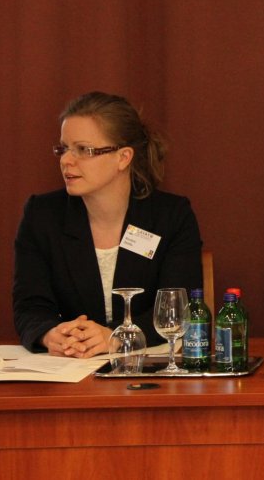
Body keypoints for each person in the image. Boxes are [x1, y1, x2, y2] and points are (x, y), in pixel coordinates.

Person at [13, 92, 203, 356]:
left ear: (123, 157)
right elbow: (30, 307)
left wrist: (117, 337)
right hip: (70, 366)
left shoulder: (171, 216)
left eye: (83, 150)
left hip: (145, 369)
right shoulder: (42, 215)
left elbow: (179, 310)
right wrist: (50, 334)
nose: (66, 160)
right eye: (64, 148)